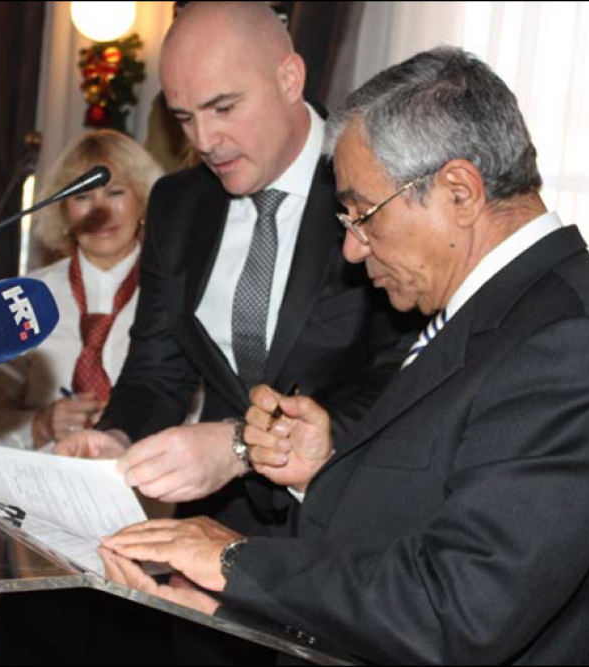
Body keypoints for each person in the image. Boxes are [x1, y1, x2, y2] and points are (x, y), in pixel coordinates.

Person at [98, 47, 589, 665]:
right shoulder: (497, 317)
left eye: (363, 214)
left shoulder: (581, 347)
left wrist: (233, 561)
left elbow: (458, 609)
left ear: (459, 192)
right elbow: (430, 520)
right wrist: (325, 474)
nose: (353, 249)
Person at [56, 0, 416, 530]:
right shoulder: (177, 204)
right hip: (214, 519)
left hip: (347, 516)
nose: (203, 141)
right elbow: (157, 370)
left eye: (223, 108)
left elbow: (401, 380)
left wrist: (244, 446)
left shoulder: (374, 185)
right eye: (185, 117)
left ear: (289, 79)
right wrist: (118, 437)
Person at [0, 129, 165, 450]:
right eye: (82, 196)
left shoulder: (173, 294)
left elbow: (196, 415)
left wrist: (136, 427)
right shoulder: (24, 298)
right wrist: (41, 425)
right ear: (63, 211)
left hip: (144, 478)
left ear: (143, 201)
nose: (99, 209)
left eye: (115, 192)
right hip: (41, 478)